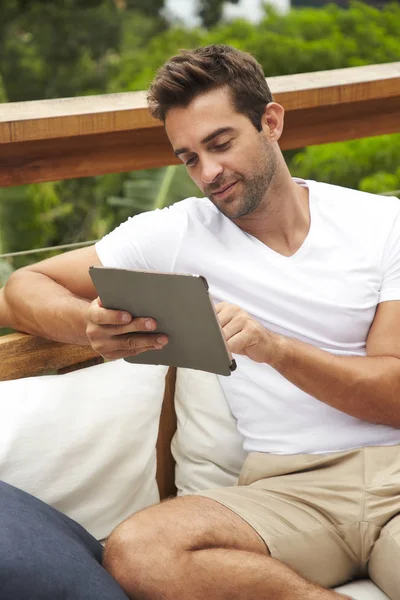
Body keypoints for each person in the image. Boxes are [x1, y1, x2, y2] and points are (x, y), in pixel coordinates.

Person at [1, 44, 400, 600]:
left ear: (271, 121)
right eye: (188, 158)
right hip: (285, 492)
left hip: (395, 477)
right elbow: (20, 288)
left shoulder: (382, 223)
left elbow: (393, 395)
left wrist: (275, 349)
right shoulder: (175, 233)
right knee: (139, 551)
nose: (208, 173)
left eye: (220, 144)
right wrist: (86, 325)